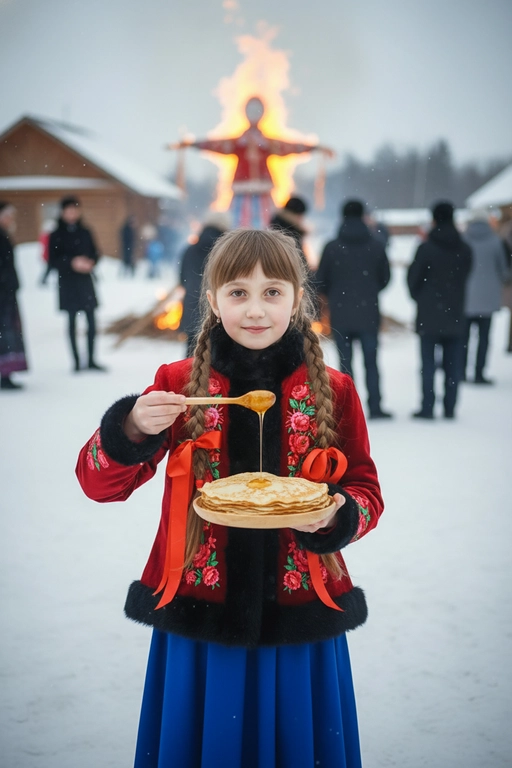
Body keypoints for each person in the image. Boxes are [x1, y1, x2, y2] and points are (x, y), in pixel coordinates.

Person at [76, 228, 384, 768]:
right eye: (238, 292)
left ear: (298, 299)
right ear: (213, 301)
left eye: (273, 292)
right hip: (201, 608)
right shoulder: (178, 384)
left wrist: (342, 514)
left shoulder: (333, 389)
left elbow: (365, 488)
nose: (256, 309)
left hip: (300, 611)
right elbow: (99, 485)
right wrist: (130, 427)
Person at [170, 97, 333, 228]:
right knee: (238, 229)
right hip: (241, 192)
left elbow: (290, 147)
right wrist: (191, 144)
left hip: (262, 192)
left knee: (268, 229)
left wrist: (315, 148)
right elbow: (214, 144)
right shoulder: (239, 143)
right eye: (251, 110)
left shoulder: (266, 143)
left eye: (257, 110)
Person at [315, 199, 393, 419]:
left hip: (341, 315)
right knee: (372, 362)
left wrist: (336, 295)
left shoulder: (331, 247)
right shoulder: (377, 245)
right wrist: (369, 291)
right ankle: (375, 407)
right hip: (369, 313)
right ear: (364, 216)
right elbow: (385, 278)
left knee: (345, 367)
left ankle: (347, 412)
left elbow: (321, 280)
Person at [407, 201, 472, 419]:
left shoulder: (425, 248)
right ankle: (450, 407)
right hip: (455, 313)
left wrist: (422, 299)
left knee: (428, 364)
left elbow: (413, 280)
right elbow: (466, 275)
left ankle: (427, 407)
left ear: (434, 219)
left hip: (429, 314)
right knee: (453, 364)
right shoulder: (464, 248)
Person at [48, 196, 106, 372]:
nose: (72, 214)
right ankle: (76, 361)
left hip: (85, 282)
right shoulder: (56, 234)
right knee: (72, 321)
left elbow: (96, 253)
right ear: (63, 212)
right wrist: (72, 262)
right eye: (69, 210)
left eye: (75, 210)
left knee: (91, 321)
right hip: (68, 283)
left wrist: (90, 262)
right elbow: (52, 260)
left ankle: (91, 360)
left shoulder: (85, 231)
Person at [462, 209, 510, 384]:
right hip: (488, 299)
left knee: (464, 338)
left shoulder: (463, 239)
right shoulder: (496, 241)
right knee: (483, 339)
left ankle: (460, 371)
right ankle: (479, 373)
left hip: (466, 299)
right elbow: (504, 270)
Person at [179, 212, 231, 358]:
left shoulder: (189, 249)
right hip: (217, 311)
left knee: (191, 358)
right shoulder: (226, 251)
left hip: (192, 307)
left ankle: (187, 380)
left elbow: (182, 279)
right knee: (218, 362)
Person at [0, 202, 28, 390]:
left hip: (7, 293)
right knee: (4, 334)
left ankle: (7, 373)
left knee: (8, 333)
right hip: (2, 295)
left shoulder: (4, 236)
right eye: (7, 215)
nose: (10, 219)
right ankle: (4, 375)